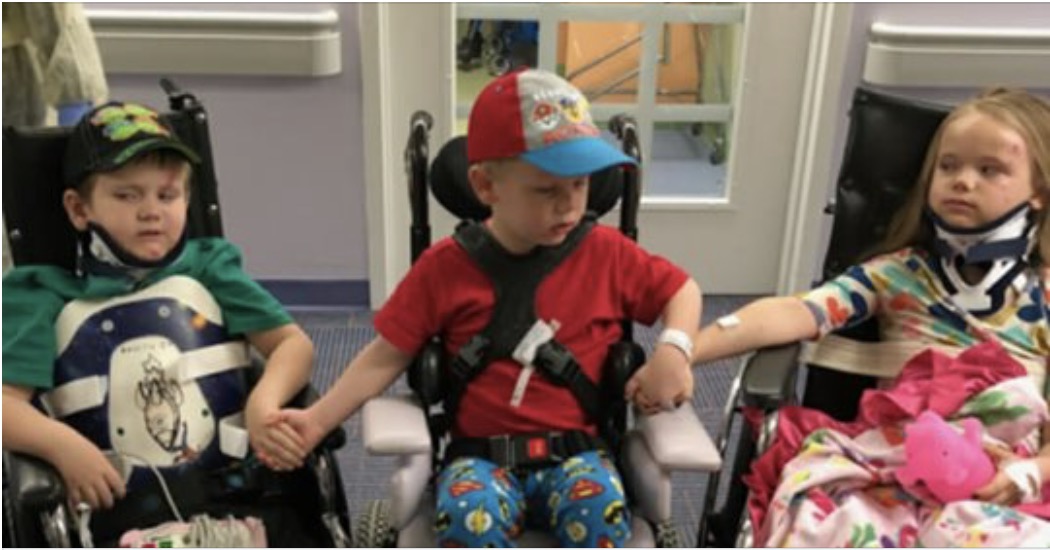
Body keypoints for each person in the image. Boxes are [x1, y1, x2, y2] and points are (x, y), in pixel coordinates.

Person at [277, 68, 700, 547]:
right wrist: (316, 421)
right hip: (479, 460)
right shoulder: (445, 268)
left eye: (580, 185)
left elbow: (682, 291)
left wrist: (674, 349)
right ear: (485, 186)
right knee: (466, 517)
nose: (568, 206)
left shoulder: (607, 254)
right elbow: (385, 356)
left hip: (579, 455)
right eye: (547, 190)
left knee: (600, 506)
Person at [692, 87, 1050, 546]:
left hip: (1002, 481)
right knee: (828, 523)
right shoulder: (897, 276)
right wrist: (683, 350)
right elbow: (795, 311)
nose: (962, 181)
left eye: (989, 170)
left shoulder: (1043, 298)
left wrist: (1031, 474)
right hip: (893, 465)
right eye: (948, 166)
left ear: (1039, 192)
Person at [2, 101, 315, 544]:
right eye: (127, 195)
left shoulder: (210, 269)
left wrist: (263, 403)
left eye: (167, 195)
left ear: (186, 198)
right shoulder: (42, 295)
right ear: (79, 209)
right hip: (113, 515)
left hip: (236, 503)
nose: (151, 211)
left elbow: (293, 346)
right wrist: (63, 447)